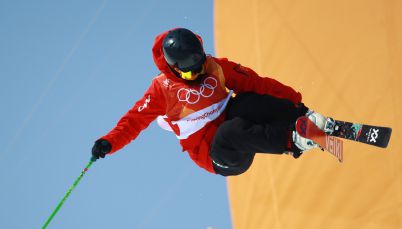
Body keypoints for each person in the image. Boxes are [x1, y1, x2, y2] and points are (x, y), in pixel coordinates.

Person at [91, 28, 328, 176]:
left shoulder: (215, 67)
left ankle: (300, 121)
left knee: (245, 101)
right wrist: (108, 142)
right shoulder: (161, 90)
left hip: (239, 125)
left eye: (200, 65)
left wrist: (296, 103)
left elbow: (257, 83)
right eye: (189, 73)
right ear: (174, 68)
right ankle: (293, 141)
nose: (197, 74)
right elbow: (134, 121)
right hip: (220, 155)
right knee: (230, 131)